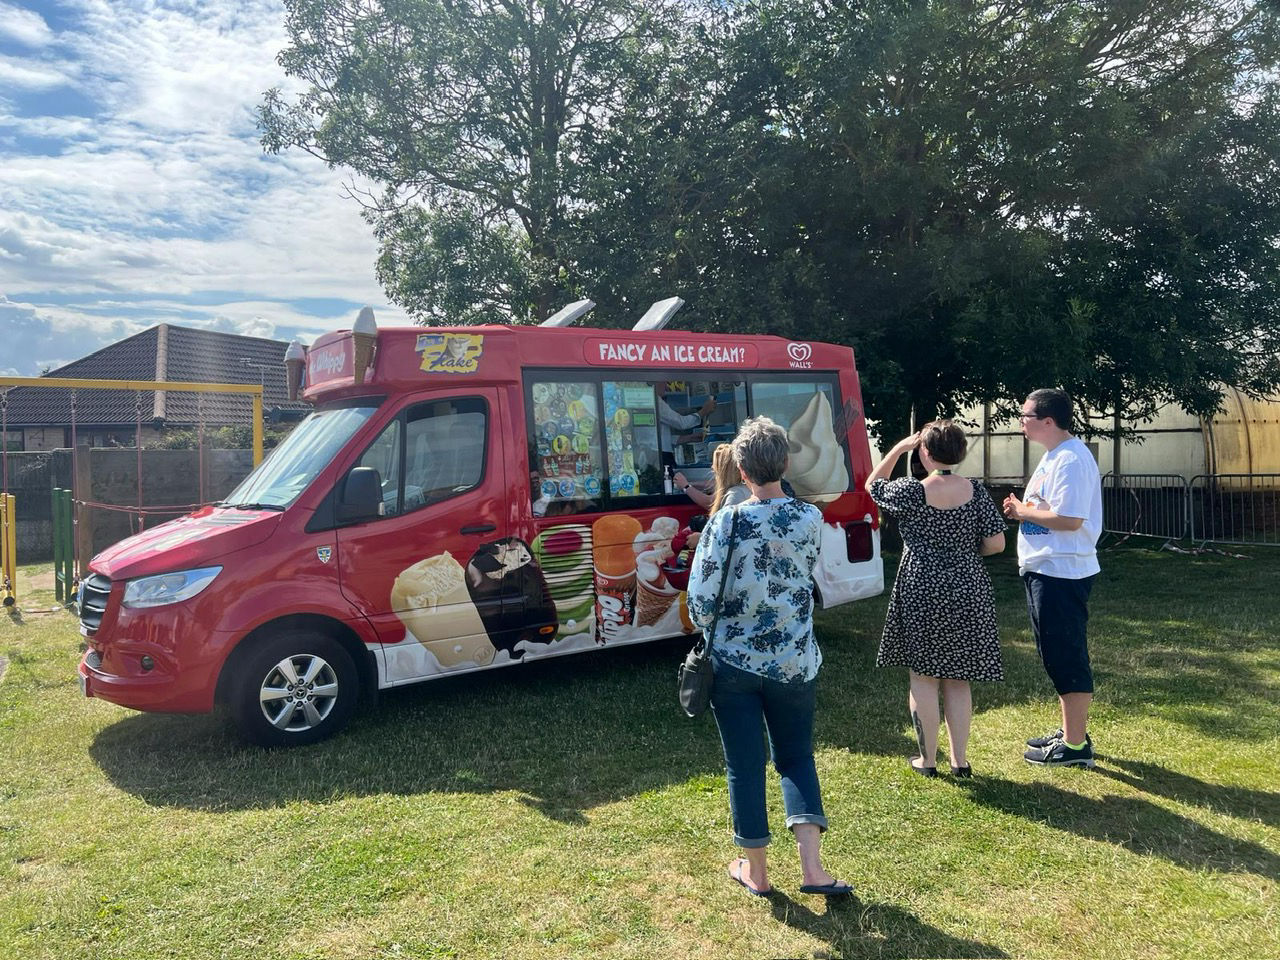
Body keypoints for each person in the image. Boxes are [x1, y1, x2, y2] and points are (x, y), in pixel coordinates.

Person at [686, 416, 851, 898]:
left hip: (733, 664)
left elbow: (700, 600)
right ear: (786, 462)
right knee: (796, 757)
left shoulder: (726, 521)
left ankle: (756, 873)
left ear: (739, 466)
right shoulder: (811, 519)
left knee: (744, 764)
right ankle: (813, 870)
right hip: (795, 659)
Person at [865, 421, 1007, 777]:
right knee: (959, 679)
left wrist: (898, 448)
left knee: (923, 676)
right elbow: (996, 544)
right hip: (967, 585)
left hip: (921, 585)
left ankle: (927, 760)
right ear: (960, 453)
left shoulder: (909, 492)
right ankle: (960, 761)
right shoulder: (976, 491)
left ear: (924, 452)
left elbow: (871, 485)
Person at [1002, 388, 1102, 768]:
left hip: (1061, 570)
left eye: (1025, 415)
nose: (1021, 421)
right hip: (1046, 567)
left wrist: (1022, 511)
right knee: (1056, 653)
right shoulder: (1055, 456)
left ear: (1047, 420)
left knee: (1065, 654)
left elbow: (1070, 519)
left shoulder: (1072, 460)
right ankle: (1071, 731)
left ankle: (1076, 748)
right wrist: (1023, 510)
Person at [656, 381, 715, 461]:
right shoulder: (656, 402)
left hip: (656, 453)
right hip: (662, 454)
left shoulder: (647, 401)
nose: (666, 386)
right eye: (664, 382)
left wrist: (688, 438)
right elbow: (681, 423)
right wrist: (703, 412)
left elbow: (657, 438)